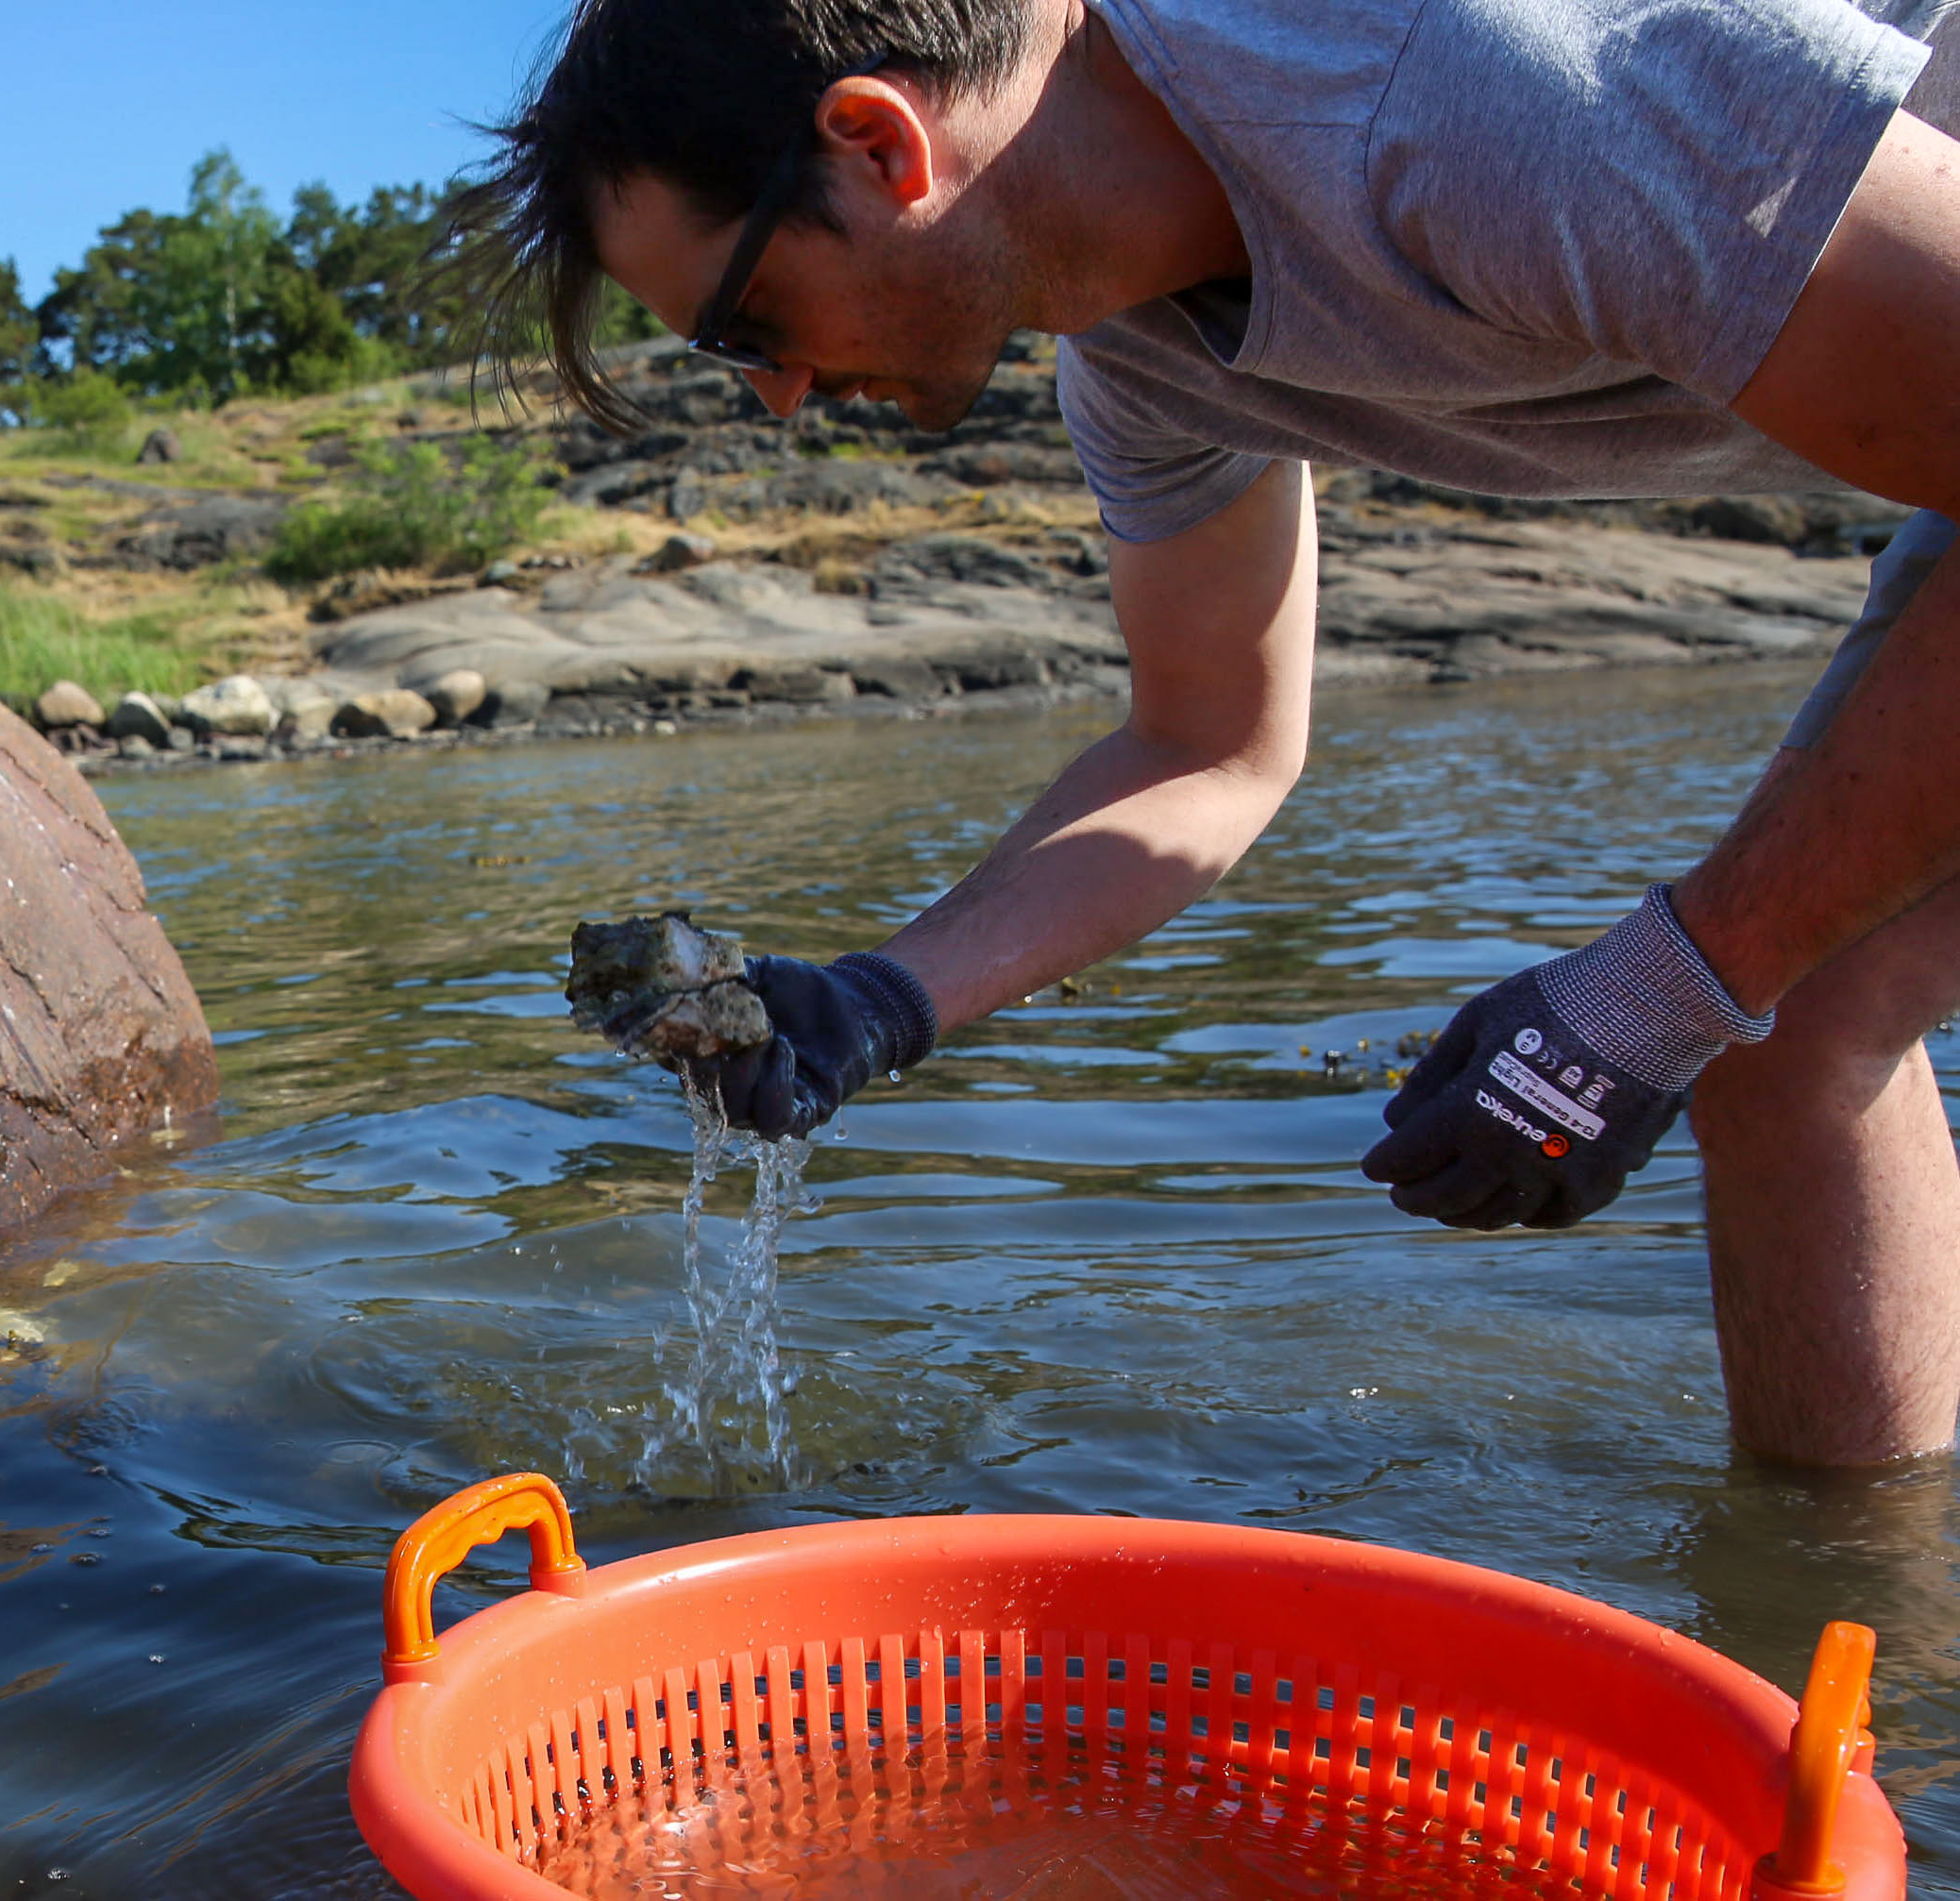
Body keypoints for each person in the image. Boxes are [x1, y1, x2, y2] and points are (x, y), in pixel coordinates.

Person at [448, 0, 1960, 1464]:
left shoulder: (1459, 95)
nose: (774, 396)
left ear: (877, 147)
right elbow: (1209, 748)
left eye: (743, 324)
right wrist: (878, 1001)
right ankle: (1858, 1662)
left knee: (1760, 1000)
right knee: (1795, 1028)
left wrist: (1656, 987)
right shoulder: (1133, 358)